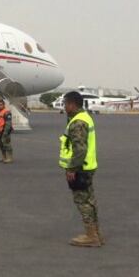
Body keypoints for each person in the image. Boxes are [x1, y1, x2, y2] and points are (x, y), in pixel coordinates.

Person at [59, 91, 102, 247]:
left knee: (82, 201)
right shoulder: (84, 117)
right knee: (90, 200)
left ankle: (91, 236)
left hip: (80, 168)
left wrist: (72, 169)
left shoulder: (77, 122)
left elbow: (80, 149)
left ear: (72, 104)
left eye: (65, 104)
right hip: (88, 166)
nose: (64, 107)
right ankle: (96, 233)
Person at [0, 99, 14, 163]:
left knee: (7, 144)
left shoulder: (7, 112)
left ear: (4, 105)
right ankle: (4, 157)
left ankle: (10, 158)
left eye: (1, 105)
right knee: (0, 145)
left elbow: (8, 123)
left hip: (4, 131)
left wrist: (5, 132)